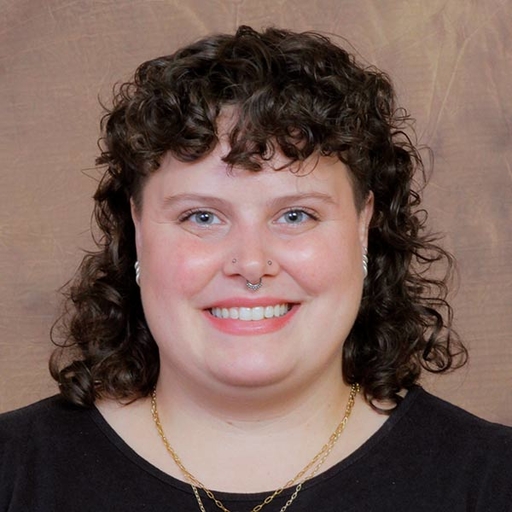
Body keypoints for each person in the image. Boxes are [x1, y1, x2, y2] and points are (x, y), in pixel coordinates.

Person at [1, 25, 511, 511]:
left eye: (295, 214)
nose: (250, 263)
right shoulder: (13, 471)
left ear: (363, 225)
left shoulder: (493, 481)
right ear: (136, 230)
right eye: (201, 216)